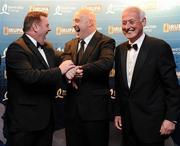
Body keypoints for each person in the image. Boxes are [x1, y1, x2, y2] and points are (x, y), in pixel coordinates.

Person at [5, 11, 74, 146]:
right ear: (36, 27)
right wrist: (61, 70)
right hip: (24, 125)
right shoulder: (17, 48)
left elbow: (64, 56)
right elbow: (30, 77)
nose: (50, 29)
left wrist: (69, 69)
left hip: (46, 123)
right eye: (47, 25)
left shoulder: (47, 46)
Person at [114, 6, 180, 146]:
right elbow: (120, 86)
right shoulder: (119, 49)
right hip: (127, 124)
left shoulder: (159, 47)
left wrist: (171, 118)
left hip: (152, 124)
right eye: (124, 23)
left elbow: (172, 87)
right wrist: (118, 112)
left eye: (131, 22)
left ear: (143, 22)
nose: (127, 26)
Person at [63, 7, 115, 146]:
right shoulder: (69, 44)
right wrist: (69, 74)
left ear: (90, 22)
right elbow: (65, 65)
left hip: (95, 113)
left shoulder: (105, 41)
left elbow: (106, 63)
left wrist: (78, 70)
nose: (74, 24)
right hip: (72, 112)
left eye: (77, 20)